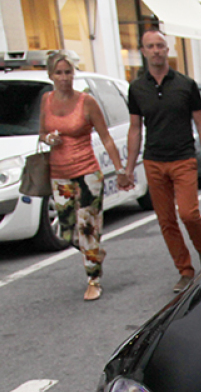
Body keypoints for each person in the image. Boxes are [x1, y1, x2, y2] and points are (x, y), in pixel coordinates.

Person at [123, 29, 201, 293]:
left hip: (183, 158)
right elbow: (134, 129)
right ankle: (185, 270)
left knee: (188, 213)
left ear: (168, 50)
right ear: (143, 51)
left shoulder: (185, 85)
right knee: (166, 220)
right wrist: (129, 169)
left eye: (160, 46)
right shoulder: (137, 88)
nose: (156, 50)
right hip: (153, 161)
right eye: (150, 46)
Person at [39, 50, 130, 301]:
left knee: (88, 228)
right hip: (60, 176)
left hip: (87, 174)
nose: (64, 77)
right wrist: (49, 139)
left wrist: (120, 170)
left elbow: (106, 138)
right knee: (67, 231)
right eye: (59, 73)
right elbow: (41, 134)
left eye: (68, 72)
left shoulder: (86, 102)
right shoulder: (46, 101)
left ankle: (93, 280)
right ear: (50, 75)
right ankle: (95, 253)